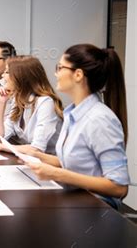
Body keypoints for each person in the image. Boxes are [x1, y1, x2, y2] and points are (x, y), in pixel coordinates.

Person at [22, 44, 129, 208]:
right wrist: (38, 157)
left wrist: (58, 174)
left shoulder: (99, 119)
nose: (56, 73)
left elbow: (119, 187)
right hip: (76, 199)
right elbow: (75, 162)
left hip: (96, 206)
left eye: (60, 68)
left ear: (78, 75)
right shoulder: (73, 114)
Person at [0, 56, 63, 153]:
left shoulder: (46, 103)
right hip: (32, 161)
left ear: (20, 77)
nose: (3, 76)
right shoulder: (18, 100)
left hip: (50, 164)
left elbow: (37, 149)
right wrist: (0, 103)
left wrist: (2, 147)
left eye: (7, 72)